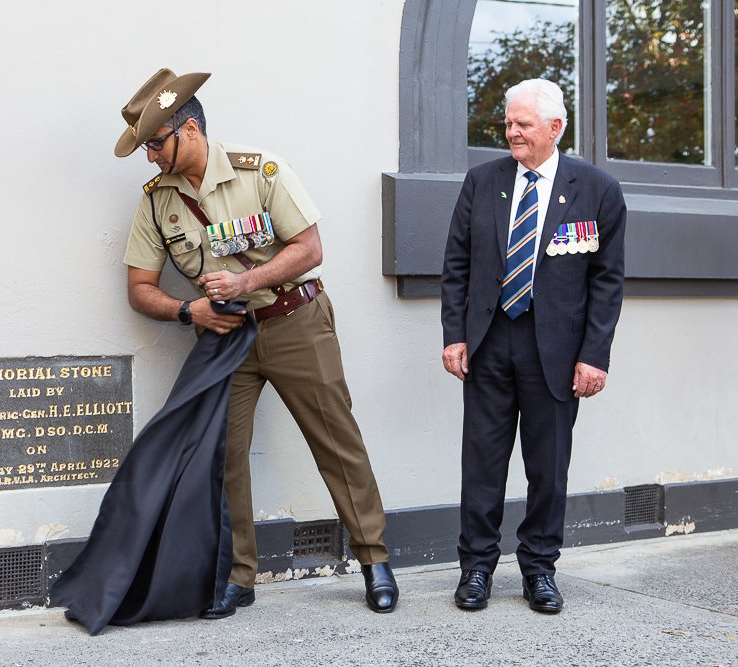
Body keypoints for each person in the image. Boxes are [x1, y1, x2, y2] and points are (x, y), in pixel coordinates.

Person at [115, 67, 397, 618]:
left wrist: (247, 281)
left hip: (295, 322)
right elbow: (138, 289)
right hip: (224, 340)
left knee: (336, 442)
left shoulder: (260, 171)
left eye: (155, 143)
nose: (150, 156)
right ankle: (237, 576)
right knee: (225, 458)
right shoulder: (156, 201)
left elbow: (310, 248)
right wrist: (185, 309)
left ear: (188, 130)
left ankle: (374, 559)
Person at [440, 78, 626, 614]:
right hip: (490, 342)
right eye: (507, 123)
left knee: (548, 466)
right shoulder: (483, 181)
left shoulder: (596, 189)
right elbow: (456, 266)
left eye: (522, 123)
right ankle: (476, 568)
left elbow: (607, 282)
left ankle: (539, 569)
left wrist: (595, 354)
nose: (512, 131)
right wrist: (455, 334)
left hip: (558, 351)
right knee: (482, 462)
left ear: (555, 127)